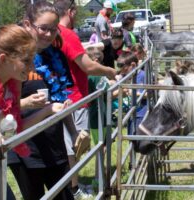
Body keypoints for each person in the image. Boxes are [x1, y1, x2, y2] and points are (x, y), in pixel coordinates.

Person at [0, 24, 67, 199]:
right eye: (26, 60)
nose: (32, 67)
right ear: (3, 59)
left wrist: (47, 110)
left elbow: (13, 131)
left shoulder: (11, 85)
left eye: (33, 59)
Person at [8, 1, 76, 200]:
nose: (48, 34)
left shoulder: (57, 56)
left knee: (64, 196)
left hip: (54, 145)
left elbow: (61, 99)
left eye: (53, 29)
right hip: (25, 149)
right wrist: (27, 103)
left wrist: (74, 133)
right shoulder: (12, 60)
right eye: (43, 28)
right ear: (27, 25)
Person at [54, 0, 116, 198]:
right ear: (71, 12)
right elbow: (88, 66)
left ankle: (72, 186)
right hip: (73, 98)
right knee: (75, 145)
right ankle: (74, 188)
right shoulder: (67, 34)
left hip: (59, 97)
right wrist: (109, 71)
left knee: (70, 145)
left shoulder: (51, 34)